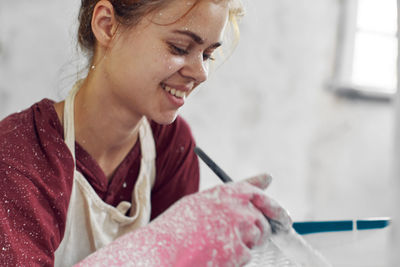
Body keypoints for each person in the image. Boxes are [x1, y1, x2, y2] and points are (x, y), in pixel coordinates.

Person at [0, 0, 291, 266]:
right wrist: (167, 243)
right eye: (179, 48)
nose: (201, 72)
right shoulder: (18, 159)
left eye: (208, 54)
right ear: (106, 25)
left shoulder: (171, 145)